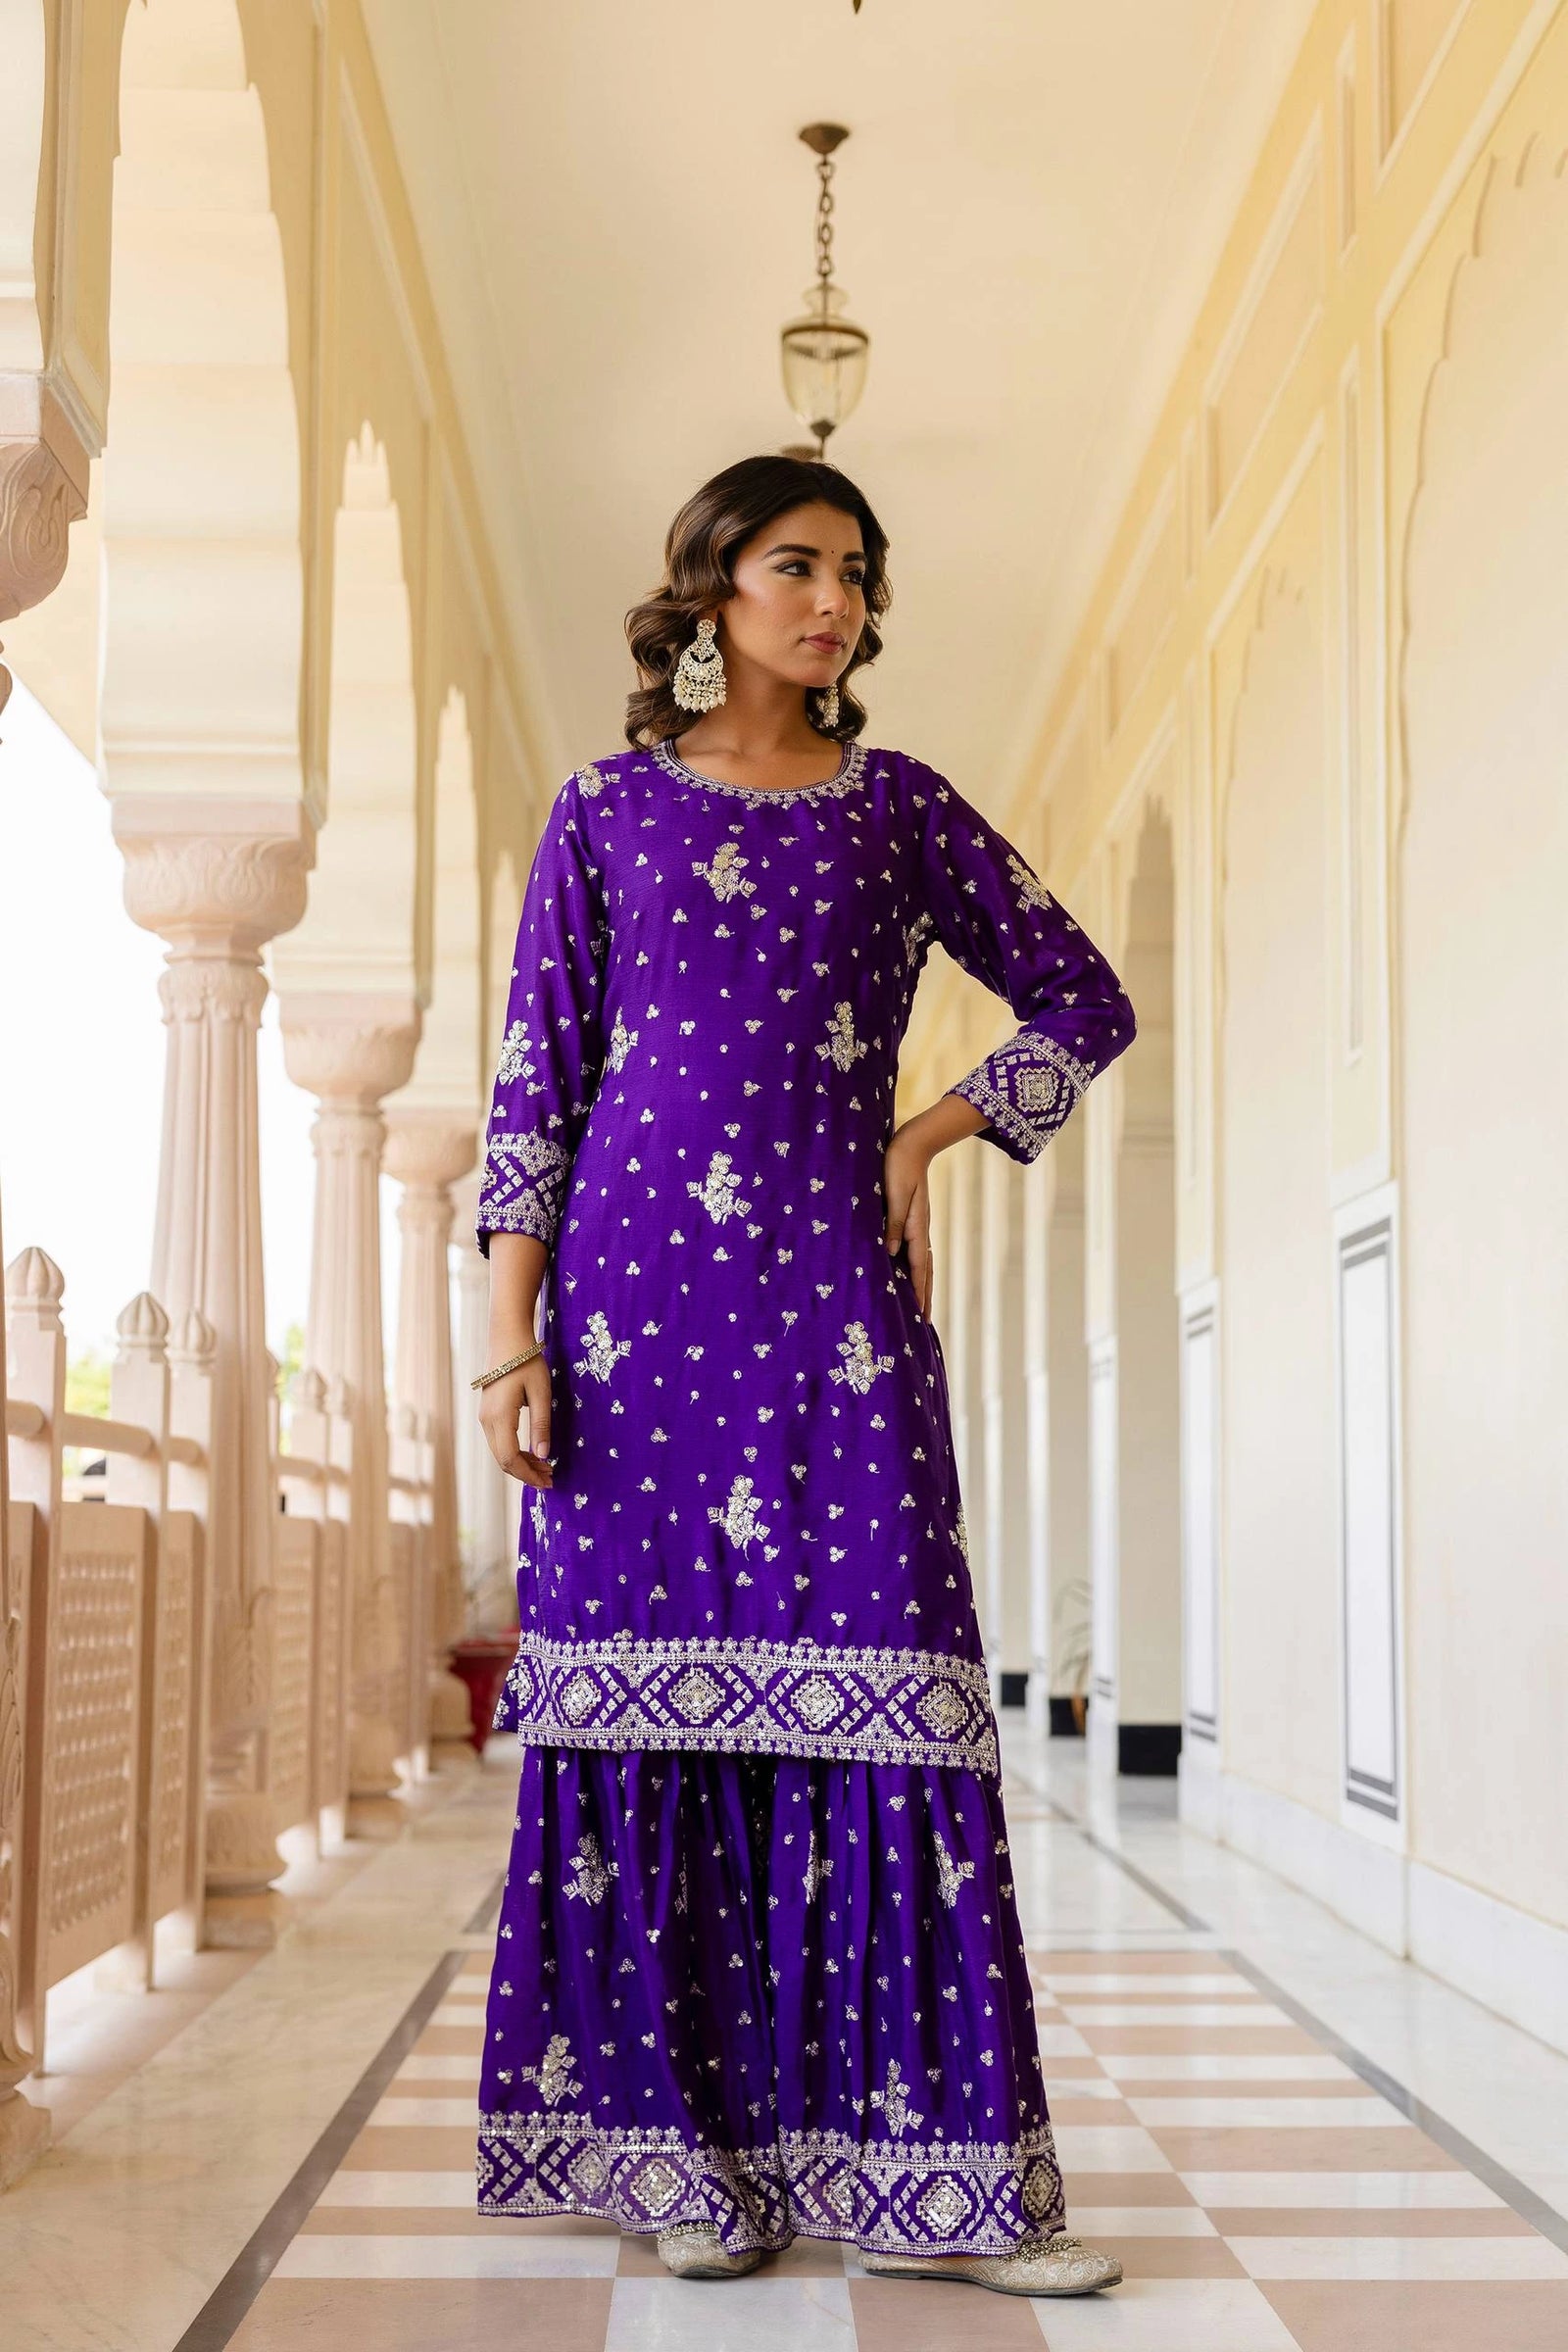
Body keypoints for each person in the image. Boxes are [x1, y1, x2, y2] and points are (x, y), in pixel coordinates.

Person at [470, 452, 1135, 2296]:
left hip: (837, 1321)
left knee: (886, 1699)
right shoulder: (602, 813)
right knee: (651, 1725)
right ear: (708, 590)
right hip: (624, 1325)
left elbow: (1087, 997)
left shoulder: (899, 810)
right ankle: (679, 2165)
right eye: (795, 566)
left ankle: (946, 2190)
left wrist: (927, 1137)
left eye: (855, 572)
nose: (834, 601)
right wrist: (506, 1344)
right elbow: (538, 1088)